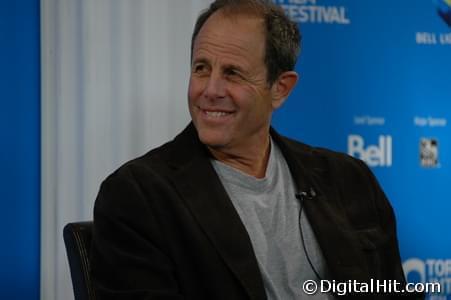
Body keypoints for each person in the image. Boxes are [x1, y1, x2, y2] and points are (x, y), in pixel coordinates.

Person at [90, 0, 420, 299]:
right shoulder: (138, 196)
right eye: (201, 68)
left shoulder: (348, 180)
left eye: (232, 73)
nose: (210, 90)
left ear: (280, 89)